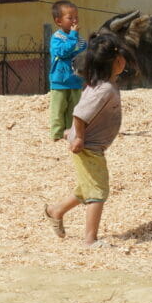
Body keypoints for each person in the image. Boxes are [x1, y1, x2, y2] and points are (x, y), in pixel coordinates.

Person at [44, 33, 130, 246]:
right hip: (87, 147)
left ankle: (56, 210)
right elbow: (80, 113)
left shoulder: (104, 84)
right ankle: (90, 239)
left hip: (91, 146)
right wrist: (78, 136)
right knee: (98, 192)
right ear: (117, 61)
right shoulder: (104, 89)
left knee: (87, 188)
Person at [49, 0, 87, 142]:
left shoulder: (80, 40)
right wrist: (72, 36)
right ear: (58, 21)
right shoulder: (57, 38)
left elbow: (83, 55)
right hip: (60, 81)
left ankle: (71, 134)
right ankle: (57, 135)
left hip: (76, 81)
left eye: (76, 17)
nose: (74, 20)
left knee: (74, 111)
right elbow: (62, 52)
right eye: (70, 18)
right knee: (58, 111)